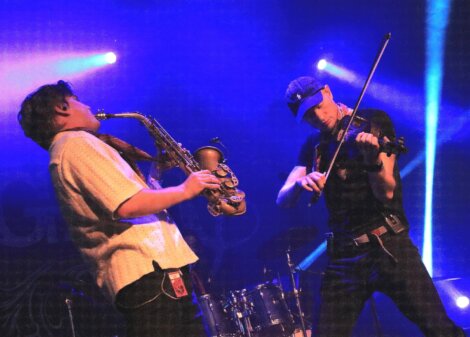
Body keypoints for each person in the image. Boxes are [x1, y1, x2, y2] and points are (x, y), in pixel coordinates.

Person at [17, 80, 221, 337]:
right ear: (62, 108)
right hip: (149, 275)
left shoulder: (73, 147)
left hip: (157, 273)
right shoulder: (75, 144)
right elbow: (126, 205)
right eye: (79, 100)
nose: (88, 106)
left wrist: (156, 172)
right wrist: (185, 189)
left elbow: (132, 202)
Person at [277, 76, 465, 337]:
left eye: (318, 106)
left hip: (388, 246)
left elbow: (386, 193)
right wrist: (300, 184)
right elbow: (282, 200)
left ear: (327, 91)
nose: (318, 117)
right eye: (308, 115)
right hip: (343, 257)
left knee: (438, 328)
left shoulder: (373, 122)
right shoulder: (314, 145)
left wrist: (372, 160)